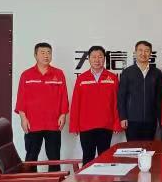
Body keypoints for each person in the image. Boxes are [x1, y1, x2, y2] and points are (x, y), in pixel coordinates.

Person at [14, 42, 69, 171]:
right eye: (42, 53)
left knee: (54, 157)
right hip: (32, 123)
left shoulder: (58, 74)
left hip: (53, 122)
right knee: (31, 156)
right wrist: (23, 118)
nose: (46, 56)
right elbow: (21, 98)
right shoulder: (26, 75)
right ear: (35, 55)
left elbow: (64, 96)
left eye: (49, 53)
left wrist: (63, 115)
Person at [69, 45, 121, 164]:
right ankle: (87, 177)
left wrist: (117, 123)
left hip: (106, 125)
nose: (97, 60)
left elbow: (117, 102)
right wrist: (74, 125)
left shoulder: (112, 78)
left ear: (104, 59)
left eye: (100, 57)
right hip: (86, 126)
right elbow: (76, 103)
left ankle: (104, 177)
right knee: (88, 157)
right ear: (89, 59)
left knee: (105, 158)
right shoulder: (82, 78)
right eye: (94, 57)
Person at [118, 40, 161, 141]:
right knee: (133, 148)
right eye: (140, 50)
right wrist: (123, 117)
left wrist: (160, 118)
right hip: (132, 120)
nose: (143, 53)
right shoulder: (127, 72)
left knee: (149, 147)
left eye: (146, 51)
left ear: (150, 53)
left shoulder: (157, 73)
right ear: (135, 52)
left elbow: (159, 98)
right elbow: (121, 97)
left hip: (151, 120)